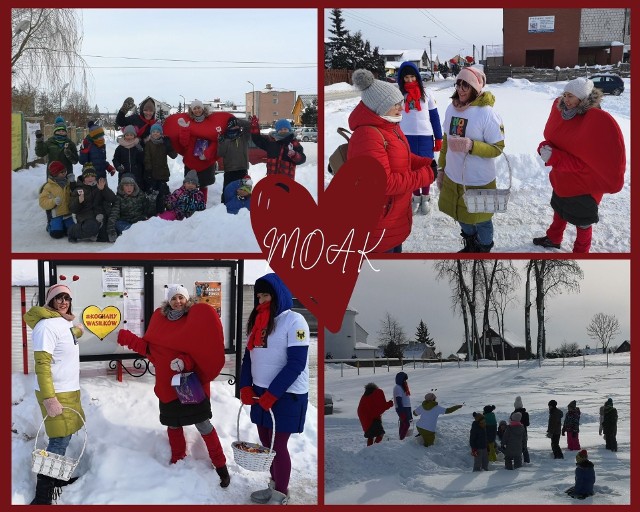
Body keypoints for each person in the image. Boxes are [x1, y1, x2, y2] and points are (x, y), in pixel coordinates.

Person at [117, 285, 230, 487]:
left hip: (191, 386)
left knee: (204, 425)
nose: (178, 301)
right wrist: (128, 339)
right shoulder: (159, 321)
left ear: (186, 299)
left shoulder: (195, 320)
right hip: (168, 387)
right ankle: (178, 460)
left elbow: (202, 352)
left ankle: (221, 465)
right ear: (168, 301)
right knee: (173, 425)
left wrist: (184, 362)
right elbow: (150, 349)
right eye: (174, 298)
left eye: (181, 297)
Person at [238, 273, 310, 505]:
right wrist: (245, 386)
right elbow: (248, 359)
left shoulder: (295, 321)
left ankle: (281, 493)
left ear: (278, 295)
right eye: (258, 296)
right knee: (266, 444)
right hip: (261, 392)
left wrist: (273, 393)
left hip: (287, 394)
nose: (261, 301)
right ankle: (273, 485)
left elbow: (296, 363)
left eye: (266, 295)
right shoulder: (258, 323)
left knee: (278, 446)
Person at [533, 77, 626, 253]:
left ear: (583, 99)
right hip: (562, 179)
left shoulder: (596, 124)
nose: (566, 100)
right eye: (565, 95)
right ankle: (554, 238)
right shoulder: (565, 115)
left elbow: (585, 164)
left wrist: (554, 157)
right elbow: (557, 141)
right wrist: (544, 148)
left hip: (584, 187)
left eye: (571, 96)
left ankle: (581, 253)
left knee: (583, 223)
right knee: (559, 210)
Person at [348, 68, 434, 253]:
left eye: (400, 103)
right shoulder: (367, 135)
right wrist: (426, 175)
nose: (401, 108)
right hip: (378, 225)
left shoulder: (389, 125)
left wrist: (425, 163)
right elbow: (383, 183)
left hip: (393, 219)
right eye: (395, 104)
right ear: (379, 106)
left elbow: (401, 156)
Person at [23, 284, 85, 504]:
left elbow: (64, 343)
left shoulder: (62, 323)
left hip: (69, 391)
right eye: (58, 298)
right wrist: (50, 398)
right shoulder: (46, 326)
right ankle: (42, 496)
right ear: (50, 301)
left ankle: (55, 478)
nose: (64, 302)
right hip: (57, 393)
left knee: (64, 436)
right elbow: (42, 364)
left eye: (67, 297)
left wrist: (76, 331)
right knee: (58, 441)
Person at [436, 66, 505, 252]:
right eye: (458, 83)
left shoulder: (487, 113)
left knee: (481, 219)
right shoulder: (451, 109)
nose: (461, 89)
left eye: (466, 84)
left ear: (475, 87)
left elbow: (498, 148)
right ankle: (471, 243)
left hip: (479, 180)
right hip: (453, 176)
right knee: (460, 215)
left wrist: (472, 146)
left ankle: (483, 247)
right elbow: (445, 142)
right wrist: (441, 169)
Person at [397, 61, 443, 215]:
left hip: (425, 137)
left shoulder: (427, 94)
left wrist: (438, 138)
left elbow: (434, 117)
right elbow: (394, 118)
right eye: (406, 78)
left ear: (417, 76)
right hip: (406, 138)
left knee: (426, 168)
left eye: (412, 77)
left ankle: (426, 197)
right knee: (411, 169)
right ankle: (415, 197)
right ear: (401, 79)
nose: (409, 80)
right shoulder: (399, 95)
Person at [68, 163, 116, 243]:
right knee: (91, 227)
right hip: (86, 218)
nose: (90, 178)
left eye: (92, 176)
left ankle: (94, 233)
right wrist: (79, 201)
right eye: (87, 176)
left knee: (105, 237)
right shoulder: (78, 189)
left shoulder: (100, 185)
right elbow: (72, 209)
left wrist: (104, 189)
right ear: (84, 177)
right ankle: (72, 231)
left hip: (100, 217)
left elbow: (113, 199)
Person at [106, 174, 155, 242]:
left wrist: (152, 202)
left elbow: (148, 211)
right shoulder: (118, 198)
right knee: (118, 224)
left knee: (148, 225)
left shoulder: (140, 195)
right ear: (122, 186)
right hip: (125, 222)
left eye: (131, 185)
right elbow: (114, 215)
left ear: (134, 186)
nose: (129, 188)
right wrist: (111, 231)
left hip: (138, 222)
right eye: (126, 185)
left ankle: (137, 234)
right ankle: (132, 234)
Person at [143, 122, 178, 214]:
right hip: (152, 173)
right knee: (153, 194)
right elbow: (147, 158)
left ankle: (161, 211)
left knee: (161, 193)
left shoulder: (164, 143)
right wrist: (148, 170)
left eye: (158, 132)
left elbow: (174, 155)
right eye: (153, 131)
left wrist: (169, 146)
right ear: (151, 133)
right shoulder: (148, 144)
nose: (155, 133)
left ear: (161, 133)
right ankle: (152, 212)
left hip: (162, 173)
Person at [217, 116, 253, 203]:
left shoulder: (243, 136)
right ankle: (224, 208)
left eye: (237, 125)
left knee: (243, 191)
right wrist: (221, 142)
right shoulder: (224, 139)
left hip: (242, 169)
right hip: (230, 170)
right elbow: (220, 153)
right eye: (233, 125)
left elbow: (249, 125)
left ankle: (241, 208)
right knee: (227, 191)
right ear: (229, 127)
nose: (236, 127)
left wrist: (238, 121)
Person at [38, 160, 76, 239]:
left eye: (65, 171)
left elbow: (74, 192)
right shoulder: (48, 186)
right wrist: (53, 201)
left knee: (72, 231)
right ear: (55, 173)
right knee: (57, 234)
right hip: (56, 215)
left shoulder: (67, 183)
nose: (65, 173)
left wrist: (73, 183)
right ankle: (50, 226)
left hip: (67, 214)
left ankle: (64, 225)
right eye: (62, 172)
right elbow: (42, 202)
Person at [392, 372, 412, 440]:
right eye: (404, 379)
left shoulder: (403, 387)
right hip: (402, 408)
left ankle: (401, 439)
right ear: (400, 379)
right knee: (406, 424)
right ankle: (401, 439)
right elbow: (398, 400)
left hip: (406, 408)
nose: (405, 381)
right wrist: (401, 411)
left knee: (403, 424)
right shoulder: (397, 387)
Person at [512, 395, 531, 463]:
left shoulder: (513, 413)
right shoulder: (526, 414)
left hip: (514, 433)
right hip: (524, 432)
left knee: (516, 447)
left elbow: (510, 423)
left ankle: (517, 461)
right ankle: (527, 460)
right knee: (524, 447)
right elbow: (527, 424)